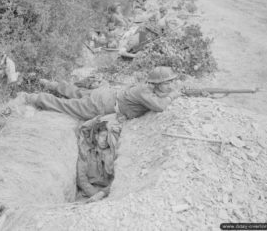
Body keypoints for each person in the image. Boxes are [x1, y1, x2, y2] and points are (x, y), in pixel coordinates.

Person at [21, 66, 181, 121]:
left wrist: (171, 90)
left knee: (77, 92)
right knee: (66, 106)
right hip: (103, 105)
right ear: (157, 83)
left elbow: (160, 96)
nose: (171, 86)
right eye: (168, 82)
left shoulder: (148, 87)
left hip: (106, 94)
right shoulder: (145, 91)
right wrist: (173, 95)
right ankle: (32, 98)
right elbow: (160, 106)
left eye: (172, 82)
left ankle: (51, 84)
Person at [76, 114, 122, 203]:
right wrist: (94, 193)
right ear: (96, 137)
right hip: (88, 194)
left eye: (107, 137)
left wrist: (102, 193)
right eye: (102, 136)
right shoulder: (88, 151)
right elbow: (81, 178)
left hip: (110, 193)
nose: (105, 140)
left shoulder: (113, 153)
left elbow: (118, 179)